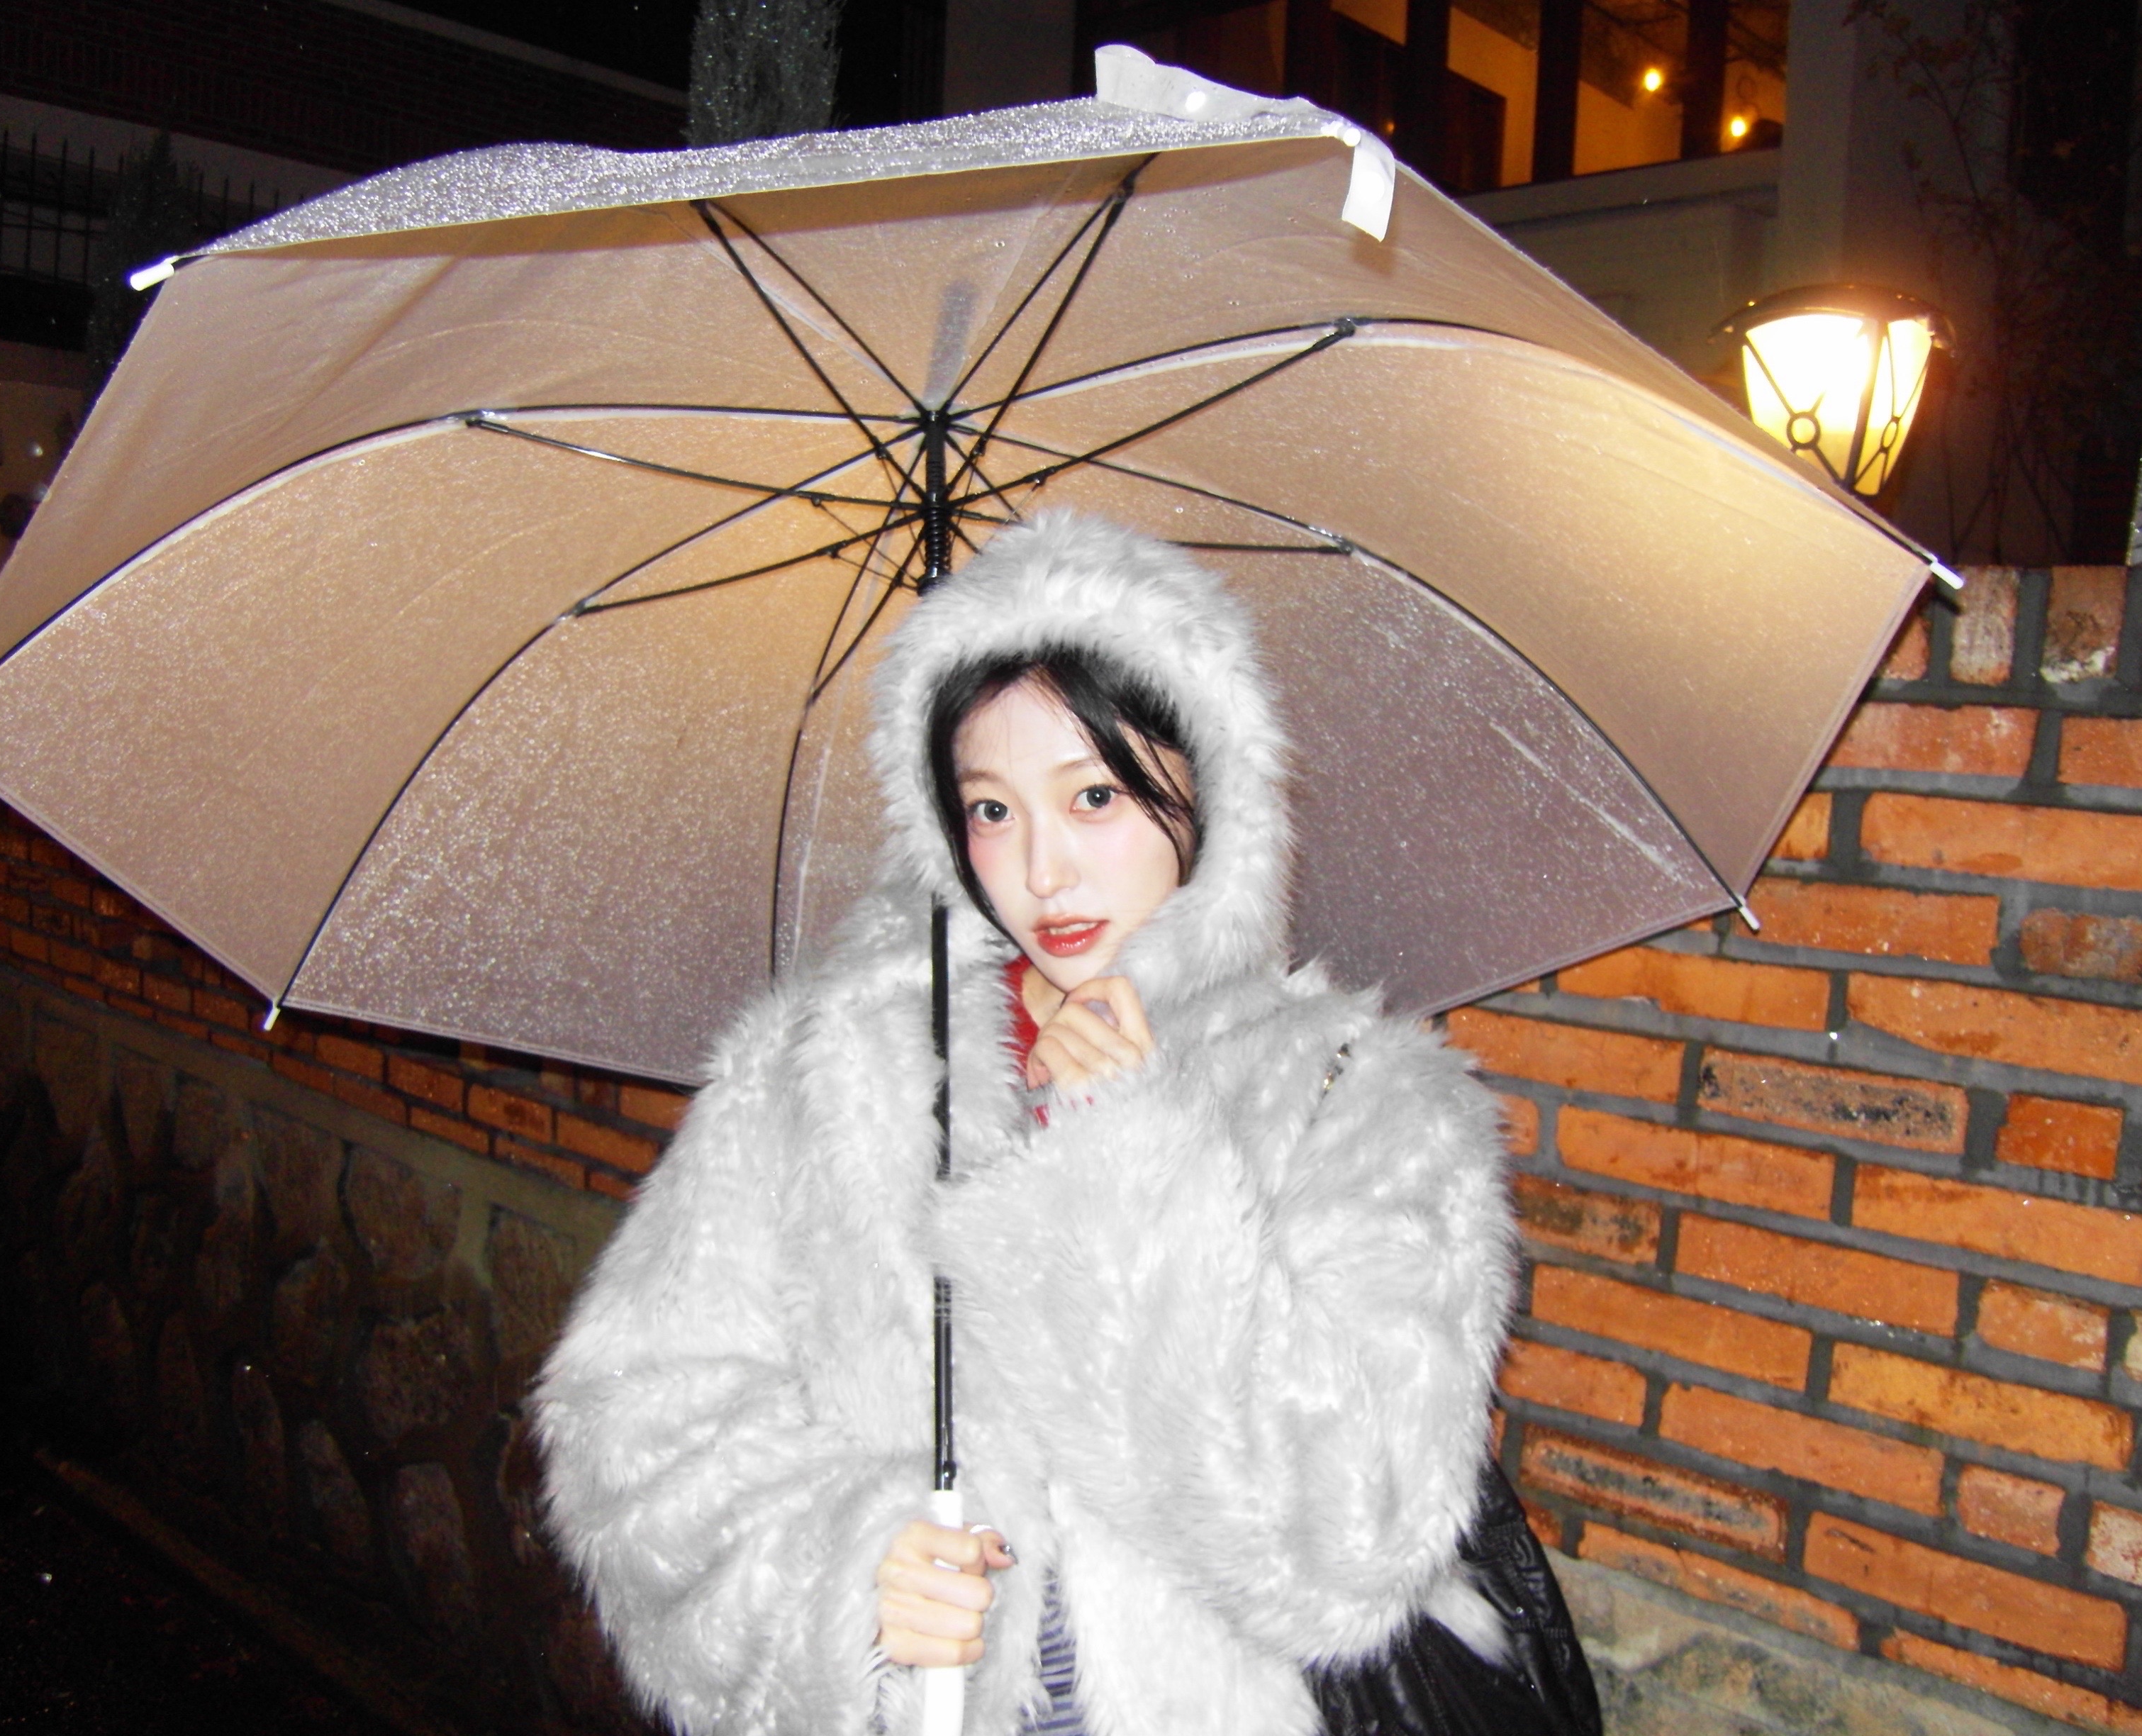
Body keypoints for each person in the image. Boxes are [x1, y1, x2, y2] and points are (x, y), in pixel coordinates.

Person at [535, 511, 1525, 1736]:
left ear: (1212, 791)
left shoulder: (1358, 1106)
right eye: (993, 810)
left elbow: (1355, 1547)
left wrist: (1127, 1158)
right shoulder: (833, 1072)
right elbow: (634, 1428)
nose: (1042, 870)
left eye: (1095, 796)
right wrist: (851, 1567)